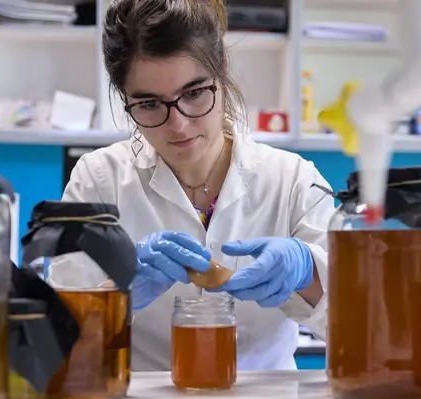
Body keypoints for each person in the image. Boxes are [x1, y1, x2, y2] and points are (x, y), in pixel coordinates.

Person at [62, 0, 335, 371]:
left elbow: (366, 329)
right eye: (149, 104)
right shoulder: (98, 180)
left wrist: (309, 274)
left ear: (221, 70)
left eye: (193, 93)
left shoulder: (293, 182)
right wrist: (116, 292)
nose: (178, 124)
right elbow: (57, 336)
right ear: (125, 97)